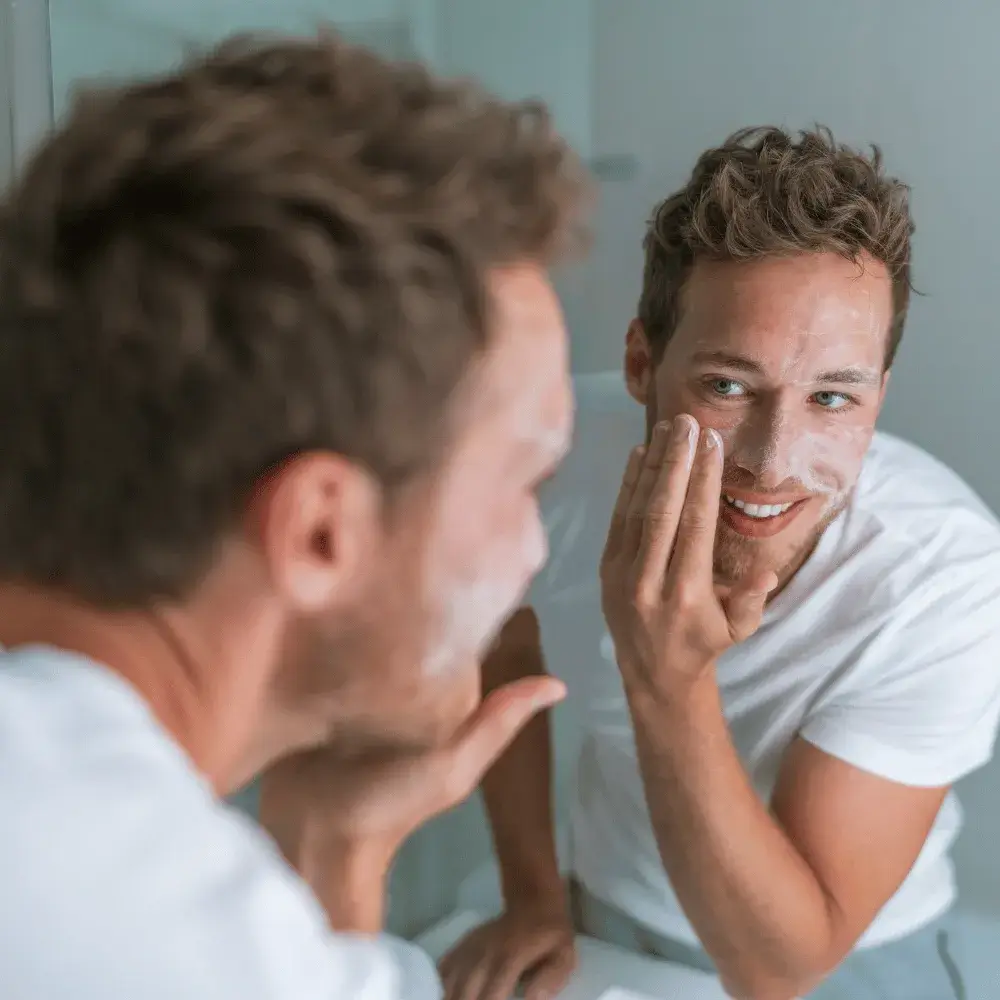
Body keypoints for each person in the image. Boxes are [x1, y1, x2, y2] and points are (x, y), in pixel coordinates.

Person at [0, 33, 591, 1000]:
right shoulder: (161, 936)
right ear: (322, 532)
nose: (534, 550)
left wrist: (333, 845)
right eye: (527, 480)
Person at [440, 126, 1000, 1000]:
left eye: (831, 399)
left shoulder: (944, 580)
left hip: (850, 958)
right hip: (602, 917)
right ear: (641, 363)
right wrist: (531, 893)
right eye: (729, 387)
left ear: (879, 398)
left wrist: (666, 673)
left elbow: (780, 967)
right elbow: (502, 650)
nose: (774, 462)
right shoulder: (547, 457)